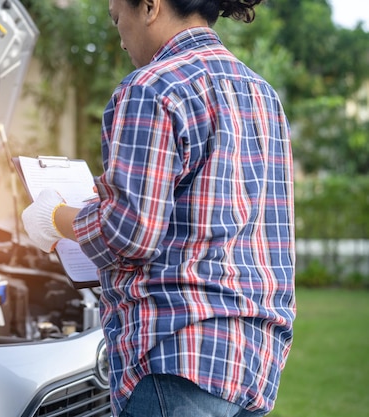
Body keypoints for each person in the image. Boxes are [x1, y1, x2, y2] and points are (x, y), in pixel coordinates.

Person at [21, 0, 295, 415]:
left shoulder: (151, 87)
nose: (120, 40)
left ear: (149, 7)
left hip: (177, 353)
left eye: (118, 20)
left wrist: (55, 217)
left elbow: (131, 232)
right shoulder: (262, 94)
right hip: (253, 358)